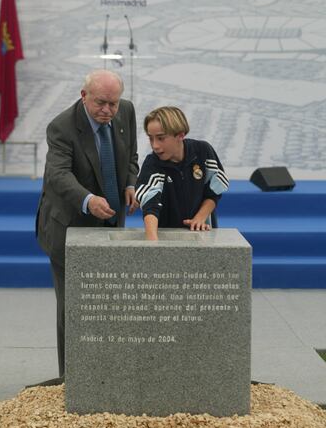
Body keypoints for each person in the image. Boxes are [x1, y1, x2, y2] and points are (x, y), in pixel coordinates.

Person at [36, 69, 138, 385]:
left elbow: (132, 156)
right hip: (68, 226)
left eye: (113, 103)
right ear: (84, 96)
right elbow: (58, 175)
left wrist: (131, 183)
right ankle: (72, 379)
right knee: (73, 307)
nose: (108, 110)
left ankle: (106, 372)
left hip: (111, 223)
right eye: (100, 103)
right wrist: (88, 199)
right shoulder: (62, 127)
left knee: (109, 302)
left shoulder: (127, 112)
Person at [135, 106, 228, 241]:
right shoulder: (152, 163)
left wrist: (200, 218)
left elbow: (213, 193)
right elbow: (150, 206)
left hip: (202, 234)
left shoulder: (203, 151)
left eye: (161, 138)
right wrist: (153, 244)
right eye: (150, 138)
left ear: (180, 135)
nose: (154, 145)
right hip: (167, 236)